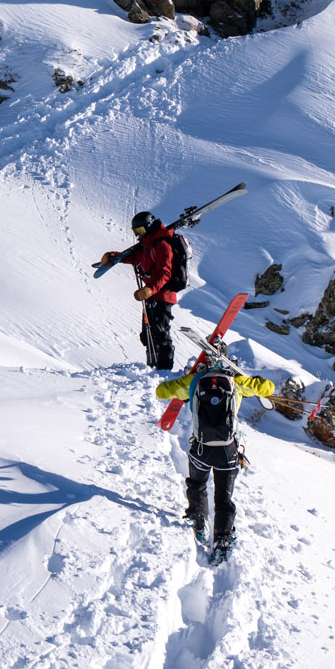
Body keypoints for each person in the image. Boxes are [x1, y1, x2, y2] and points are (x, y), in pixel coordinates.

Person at [155, 360, 275, 551]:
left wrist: (187, 380)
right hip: (227, 451)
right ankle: (223, 538)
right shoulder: (236, 381)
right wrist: (252, 380)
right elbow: (268, 388)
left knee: (197, 484)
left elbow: (161, 392)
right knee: (223, 498)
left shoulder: (195, 380)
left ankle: (197, 519)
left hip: (201, 449)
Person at [100, 210, 179, 370]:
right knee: (147, 335)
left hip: (162, 295)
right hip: (150, 295)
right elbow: (136, 258)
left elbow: (165, 272)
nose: (138, 235)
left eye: (141, 231)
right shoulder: (147, 245)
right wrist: (113, 256)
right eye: (136, 232)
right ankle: (153, 367)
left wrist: (150, 289)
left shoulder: (162, 245)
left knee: (160, 333)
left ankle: (164, 371)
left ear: (149, 227)